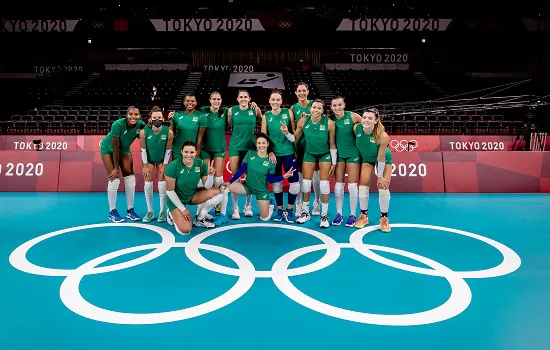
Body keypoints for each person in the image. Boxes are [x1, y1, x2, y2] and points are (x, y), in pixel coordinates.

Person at [222, 133, 295, 221]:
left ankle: (271, 205)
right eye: (259, 143)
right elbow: (241, 170)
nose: (261, 145)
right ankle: (222, 215)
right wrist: (229, 182)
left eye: (263, 143)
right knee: (224, 188)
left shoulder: (271, 161)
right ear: (256, 144)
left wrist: (283, 176)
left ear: (267, 144)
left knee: (264, 218)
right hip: (247, 187)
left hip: (261, 191)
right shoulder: (250, 154)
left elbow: (270, 180)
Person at [292, 99, 337, 228]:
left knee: (324, 184)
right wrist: (286, 133)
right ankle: (305, 213)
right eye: (314, 107)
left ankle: (324, 215)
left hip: (324, 154)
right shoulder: (302, 121)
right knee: (306, 183)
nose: (316, 110)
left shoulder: (329, 123)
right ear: (310, 108)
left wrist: (333, 162)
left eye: (319, 108)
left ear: (323, 111)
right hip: (309, 153)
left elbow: (332, 144)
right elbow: (294, 139)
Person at [165, 140, 225, 235]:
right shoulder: (173, 166)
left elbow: (208, 186)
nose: (189, 155)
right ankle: (171, 214)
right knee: (185, 231)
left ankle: (199, 219)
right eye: (186, 152)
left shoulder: (201, 164)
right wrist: (183, 209)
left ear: (196, 153)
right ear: (181, 152)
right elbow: (169, 191)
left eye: (192, 152)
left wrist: (210, 175)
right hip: (175, 200)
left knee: (220, 192)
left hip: (191, 195)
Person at [99, 106, 146, 223]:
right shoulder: (117, 125)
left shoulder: (140, 124)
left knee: (130, 178)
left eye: (136, 114)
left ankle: (130, 210)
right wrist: (116, 169)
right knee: (114, 179)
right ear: (127, 115)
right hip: (108, 149)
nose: (133, 117)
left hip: (124, 150)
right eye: (131, 114)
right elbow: (115, 149)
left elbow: (149, 133)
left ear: (139, 116)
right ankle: (112, 211)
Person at [261, 89, 300, 223]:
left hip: (289, 152)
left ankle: (289, 210)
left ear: (281, 101)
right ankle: (279, 209)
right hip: (274, 155)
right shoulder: (266, 116)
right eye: (273, 99)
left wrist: (286, 132)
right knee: (276, 183)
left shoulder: (288, 112)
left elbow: (294, 136)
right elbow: (263, 137)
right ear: (269, 101)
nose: (275, 102)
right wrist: (270, 151)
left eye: (278, 100)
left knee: (295, 184)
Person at [353, 108, 392, 232]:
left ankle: (384, 218)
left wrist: (379, 176)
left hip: (383, 159)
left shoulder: (382, 136)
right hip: (367, 159)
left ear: (376, 121)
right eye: (364, 117)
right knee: (363, 186)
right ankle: (364, 216)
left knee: (383, 187)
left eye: (370, 118)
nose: (366, 120)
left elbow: (381, 158)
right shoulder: (356, 129)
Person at [227, 90, 264, 220]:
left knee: (250, 178)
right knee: (235, 177)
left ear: (249, 98)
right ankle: (235, 208)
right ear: (237, 99)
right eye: (241, 97)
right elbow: (227, 125)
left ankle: (248, 206)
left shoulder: (255, 109)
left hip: (250, 147)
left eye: (245, 97)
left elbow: (264, 122)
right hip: (235, 147)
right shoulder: (232, 111)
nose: (243, 99)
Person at [329, 96, 362, 227]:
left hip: (353, 154)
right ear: (331, 107)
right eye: (334, 105)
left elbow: (368, 123)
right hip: (339, 156)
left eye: (339, 105)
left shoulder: (353, 117)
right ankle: (339, 214)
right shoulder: (330, 120)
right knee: (338, 185)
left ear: (344, 105)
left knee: (353, 186)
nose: (337, 108)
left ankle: (353, 215)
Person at [197, 91, 230, 223]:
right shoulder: (203, 111)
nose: (216, 101)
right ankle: (202, 210)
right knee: (205, 180)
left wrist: (253, 106)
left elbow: (240, 108)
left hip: (219, 150)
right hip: (205, 149)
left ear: (221, 101)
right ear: (210, 100)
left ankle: (222, 213)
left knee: (218, 180)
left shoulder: (225, 112)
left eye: (218, 99)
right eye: (214, 99)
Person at [289, 82, 321, 216]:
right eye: (299, 91)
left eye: (304, 90)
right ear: (296, 93)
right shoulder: (293, 108)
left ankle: (317, 203)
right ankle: (299, 204)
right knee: (300, 177)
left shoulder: (314, 104)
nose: (301, 93)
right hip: (301, 147)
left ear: (308, 91)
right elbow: (293, 129)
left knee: (317, 177)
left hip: (316, 146)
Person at [139, 106, 174, 223]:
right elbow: (143, 150)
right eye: (155, 117)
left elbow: (168, 151)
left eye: (159, 117)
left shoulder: (168, 132)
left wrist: (164, 167)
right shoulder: (144, 132)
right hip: (148, 160)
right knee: (148, 184)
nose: (157, 119)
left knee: (162, 184)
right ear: (150, 119)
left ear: (162, 118)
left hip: (161, 160)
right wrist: (144, 166)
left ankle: (161, 211)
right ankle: (150, 211)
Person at [169, 93, 207, 160]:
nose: (190, 103)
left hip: (192, 152)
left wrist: (197, 153)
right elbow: (170, 134)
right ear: (184, 102)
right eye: (187, 101)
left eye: (192, 101)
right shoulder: (176, 115)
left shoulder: (201, 116)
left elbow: (200, 138)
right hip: (177, 151)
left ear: (196, 103)